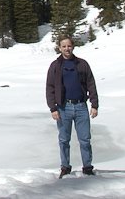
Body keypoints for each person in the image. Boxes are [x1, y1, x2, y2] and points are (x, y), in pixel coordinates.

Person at [45, 35, 99, 178]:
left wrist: (94, 104)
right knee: (64, 140)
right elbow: (50, 88)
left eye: (69, 46)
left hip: (81, 106)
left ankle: (87, 167)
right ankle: (65, 167)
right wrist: (53, 108)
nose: (67, 49)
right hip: (64, 107)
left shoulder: (82, 64)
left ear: (72, 47)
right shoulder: (55, 66)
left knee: (85, 139)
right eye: (64, 46)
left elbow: (91, 84)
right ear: (60, 48)